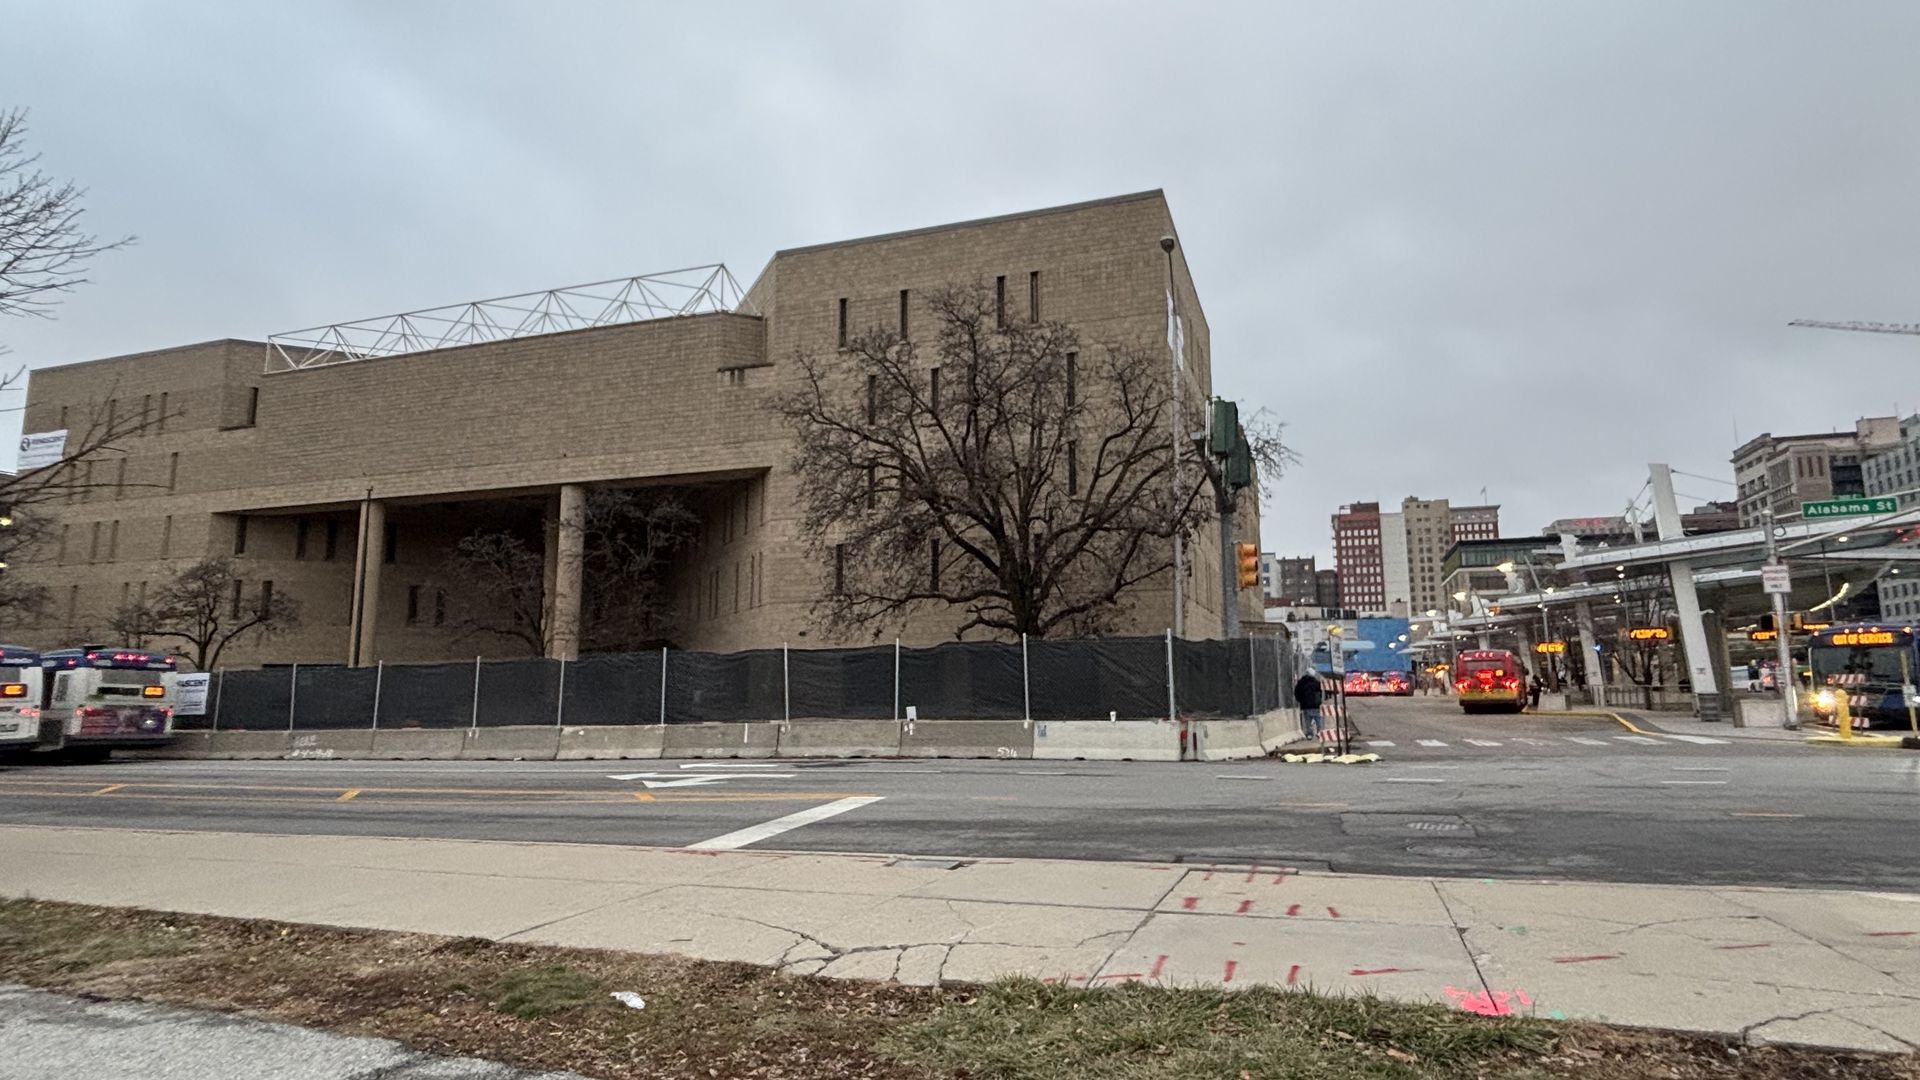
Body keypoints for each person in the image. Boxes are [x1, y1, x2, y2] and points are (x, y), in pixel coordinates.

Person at [1294, 671, 1324, 741]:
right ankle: (1319, 733)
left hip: (1305, 706)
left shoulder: (1300, 683)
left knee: (1307, 721)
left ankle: (1309, 734)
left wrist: (1301, 701)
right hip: (1316, 705)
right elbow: (1321, 692)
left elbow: (1296, 693)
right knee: (1318, 720)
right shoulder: (1316, 682)